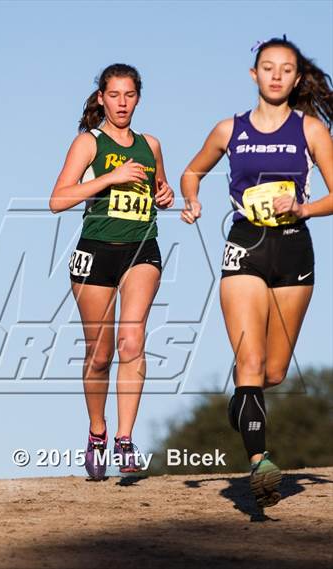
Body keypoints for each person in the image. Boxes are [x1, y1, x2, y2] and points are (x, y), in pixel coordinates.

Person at [180, 36, 332, 508]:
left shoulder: (310, 132)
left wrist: (304, 208)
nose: (276, 76)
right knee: (248, 364)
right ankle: (259, 462)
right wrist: (192, 199)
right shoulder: (230, 129)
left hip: (293, 250)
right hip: (244, 246)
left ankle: (243, 403)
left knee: (273, 371)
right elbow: (192, 171)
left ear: (296, 78)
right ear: (254, 74)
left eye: (286, 70)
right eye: (268, 68)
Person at [50, 63, 174, 480]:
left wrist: (165, 194)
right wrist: (110, 178)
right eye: (114, 95)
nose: (122, 103)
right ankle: (97, 432)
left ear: (139, 97)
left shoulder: (151, 144)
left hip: (142, 249)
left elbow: (158, 193)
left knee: (132, 341)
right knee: (99, 355)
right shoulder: (89, 143)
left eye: (130, 95)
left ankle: (125, 438)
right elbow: (58, 200)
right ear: (102, 98)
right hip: (95, 252)